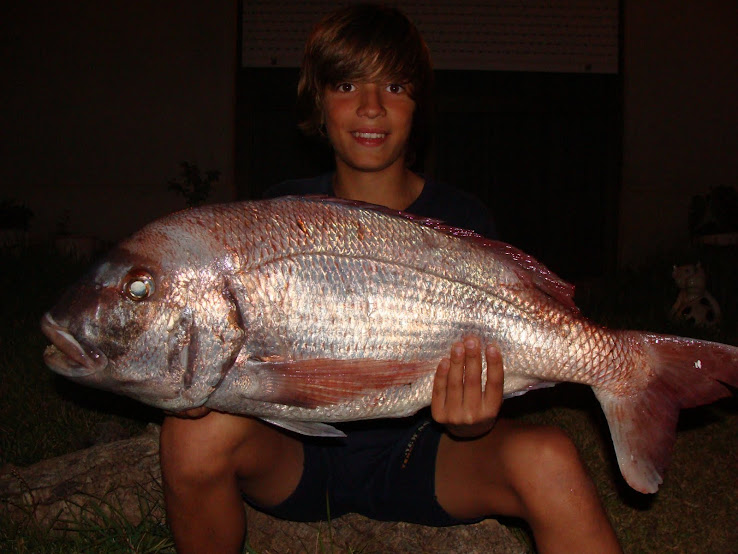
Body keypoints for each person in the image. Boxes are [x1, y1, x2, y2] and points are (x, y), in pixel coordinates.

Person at [160, 4, 622, 553]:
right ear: (318, 100)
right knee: (190, 433)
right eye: (347, 83)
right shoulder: (277, 218)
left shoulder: (463, 223)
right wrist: (192, 380)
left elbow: (477, 414)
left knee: (552, 459)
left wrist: (473, 420)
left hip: (426, 452)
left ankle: (627, 373)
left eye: (396, 86)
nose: (371, 108)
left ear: (418, 105)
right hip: (295, 452)